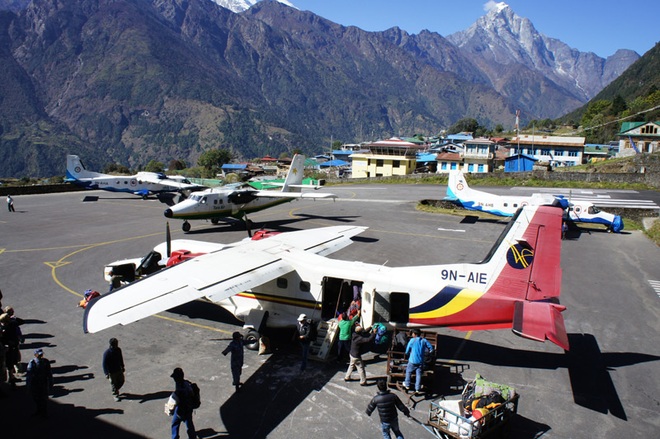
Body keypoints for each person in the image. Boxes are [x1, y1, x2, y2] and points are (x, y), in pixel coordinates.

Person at [168, 367, 197, 439]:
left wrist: (170, 409)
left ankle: (175, 437)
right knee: (189, 424)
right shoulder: (187, 383)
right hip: (189, 408)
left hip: (181, 410)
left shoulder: (179, 388)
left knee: (175, 424)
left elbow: (175, 400)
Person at [403, 328, 434, 395]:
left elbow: (407, 350)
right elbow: (431, 348)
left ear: (415, 334)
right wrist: (429, 353)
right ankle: (417, 389)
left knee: (408, 371)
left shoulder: (412, 340)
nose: (412, 334)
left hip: (412, 361)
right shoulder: (424, 340)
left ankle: (407, 385)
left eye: (413, 333)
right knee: (418, 375)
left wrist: (407, 353)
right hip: (420, 362)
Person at [26, 348, 53, 418]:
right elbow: (29, 374)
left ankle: (44, 412)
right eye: (39, 355)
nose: (41, 356)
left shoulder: (46, 362)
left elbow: (49, 372)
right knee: (36, 397)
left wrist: (51, 381)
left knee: (44, 398)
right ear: (35, 355)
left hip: (43, 382)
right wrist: (28, 385)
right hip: (35, 383)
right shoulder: (32, 362)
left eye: (41, 354)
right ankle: (39, 409)